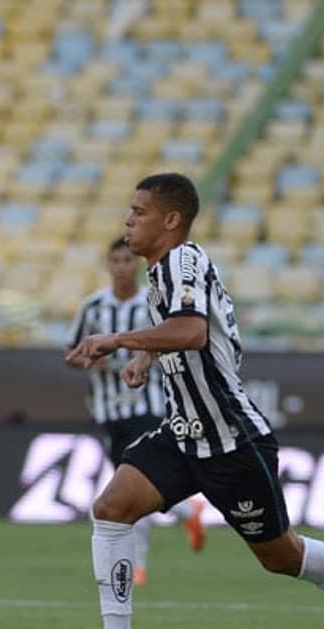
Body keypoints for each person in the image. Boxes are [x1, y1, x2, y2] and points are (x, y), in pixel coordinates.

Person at [54, 173, 324, 629]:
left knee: (281, 556)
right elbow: (188, 332)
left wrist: (117, 340)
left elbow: (191, 331)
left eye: (139, 211)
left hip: (232, 439)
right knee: (112, 507)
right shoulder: (162, 272)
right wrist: (146, 358)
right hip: (184, 432)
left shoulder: (183, 261)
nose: (128, 220)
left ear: (171, 220)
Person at [66, 236, 206, 586]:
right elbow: (72, 353)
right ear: (109, 265)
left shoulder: (151, 303)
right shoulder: (93, 306)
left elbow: (173, 343)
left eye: (129, 260)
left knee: (133, 486)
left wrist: (143, 358)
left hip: (149, 406)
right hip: (108, 412)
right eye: (117, 261)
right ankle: (189, 512)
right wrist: (87, 363)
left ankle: (137, 565)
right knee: (133, 487)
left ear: (137, 265)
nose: (123, 267)